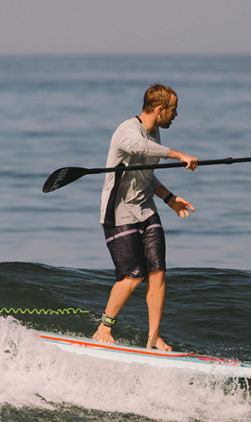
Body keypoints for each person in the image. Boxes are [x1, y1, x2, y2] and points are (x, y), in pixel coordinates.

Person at [93, 83, 198, 351]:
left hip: (147, 208)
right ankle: (104, 327)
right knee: (133, 275)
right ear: (160, 109)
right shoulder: (128, 131)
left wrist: (169, 198)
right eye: (174, 110)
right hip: (120, 211)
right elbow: (141, 149)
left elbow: (147, 173)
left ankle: (153, 337)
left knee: (158, 273)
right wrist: (178, 155)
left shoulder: (156, 134)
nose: (176, 115)